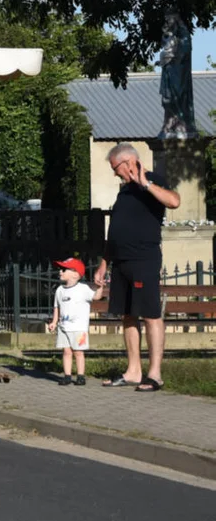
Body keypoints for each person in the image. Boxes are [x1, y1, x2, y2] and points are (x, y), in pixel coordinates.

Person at [94, 143, 180, 392]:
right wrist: (103, 264)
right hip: (121, 263)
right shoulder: (124, 192)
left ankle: (154, 375)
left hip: (144, 260)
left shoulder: (153, 181)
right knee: (128, 315)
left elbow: (174, 201)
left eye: (115, 168)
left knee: (151, 315)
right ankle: (133, 371)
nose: (114, 173)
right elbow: (115, 231)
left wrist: (146, 183)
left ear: (129, 162)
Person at [48, 257, 103, 386]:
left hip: (79, 328)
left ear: (75, 273)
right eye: (60, 269)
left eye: (63, 269)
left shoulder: (83, 289)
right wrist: (54, 322)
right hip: (63, 327)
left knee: (78, 352)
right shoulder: (59, 290)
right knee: (66, 352)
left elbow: (96, 296)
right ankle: (67, 376)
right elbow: (57, 307)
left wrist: (99, 287)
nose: (60, 272)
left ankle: (80, 376)